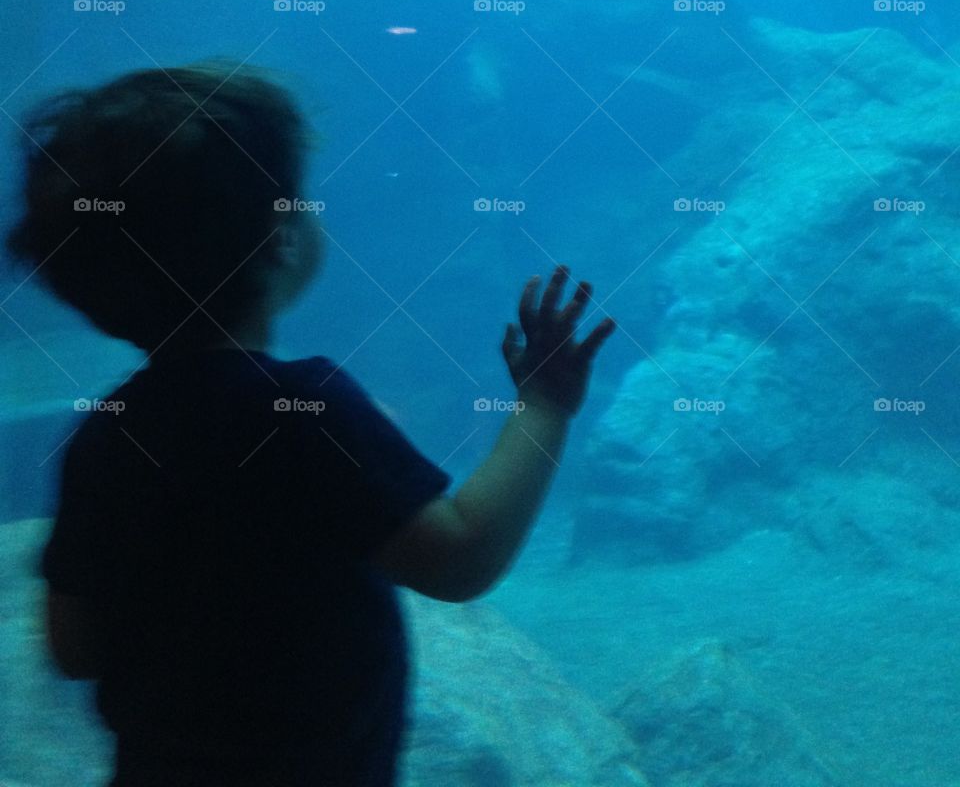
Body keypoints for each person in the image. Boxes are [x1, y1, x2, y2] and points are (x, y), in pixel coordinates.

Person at [5, 61, 616, 786]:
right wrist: (544, 406)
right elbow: (460, 558)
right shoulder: (305, 410)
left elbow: (75, 647)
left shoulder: (108, 435)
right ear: (281, 239)